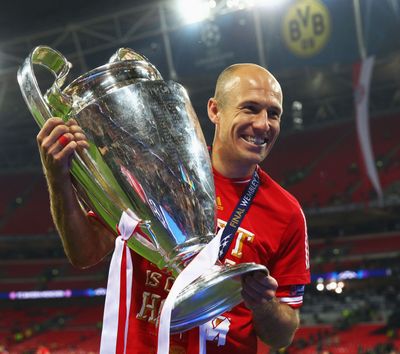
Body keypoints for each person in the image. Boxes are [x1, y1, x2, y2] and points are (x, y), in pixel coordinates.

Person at [36, 63, 310, 353]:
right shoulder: (153, 173)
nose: (263, 124)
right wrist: (58, 178)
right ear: (215, 111)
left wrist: (263, 303)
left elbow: (282, 336)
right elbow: (85, 253)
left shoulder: (286, 214)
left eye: (273, 113)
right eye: (250, 108)